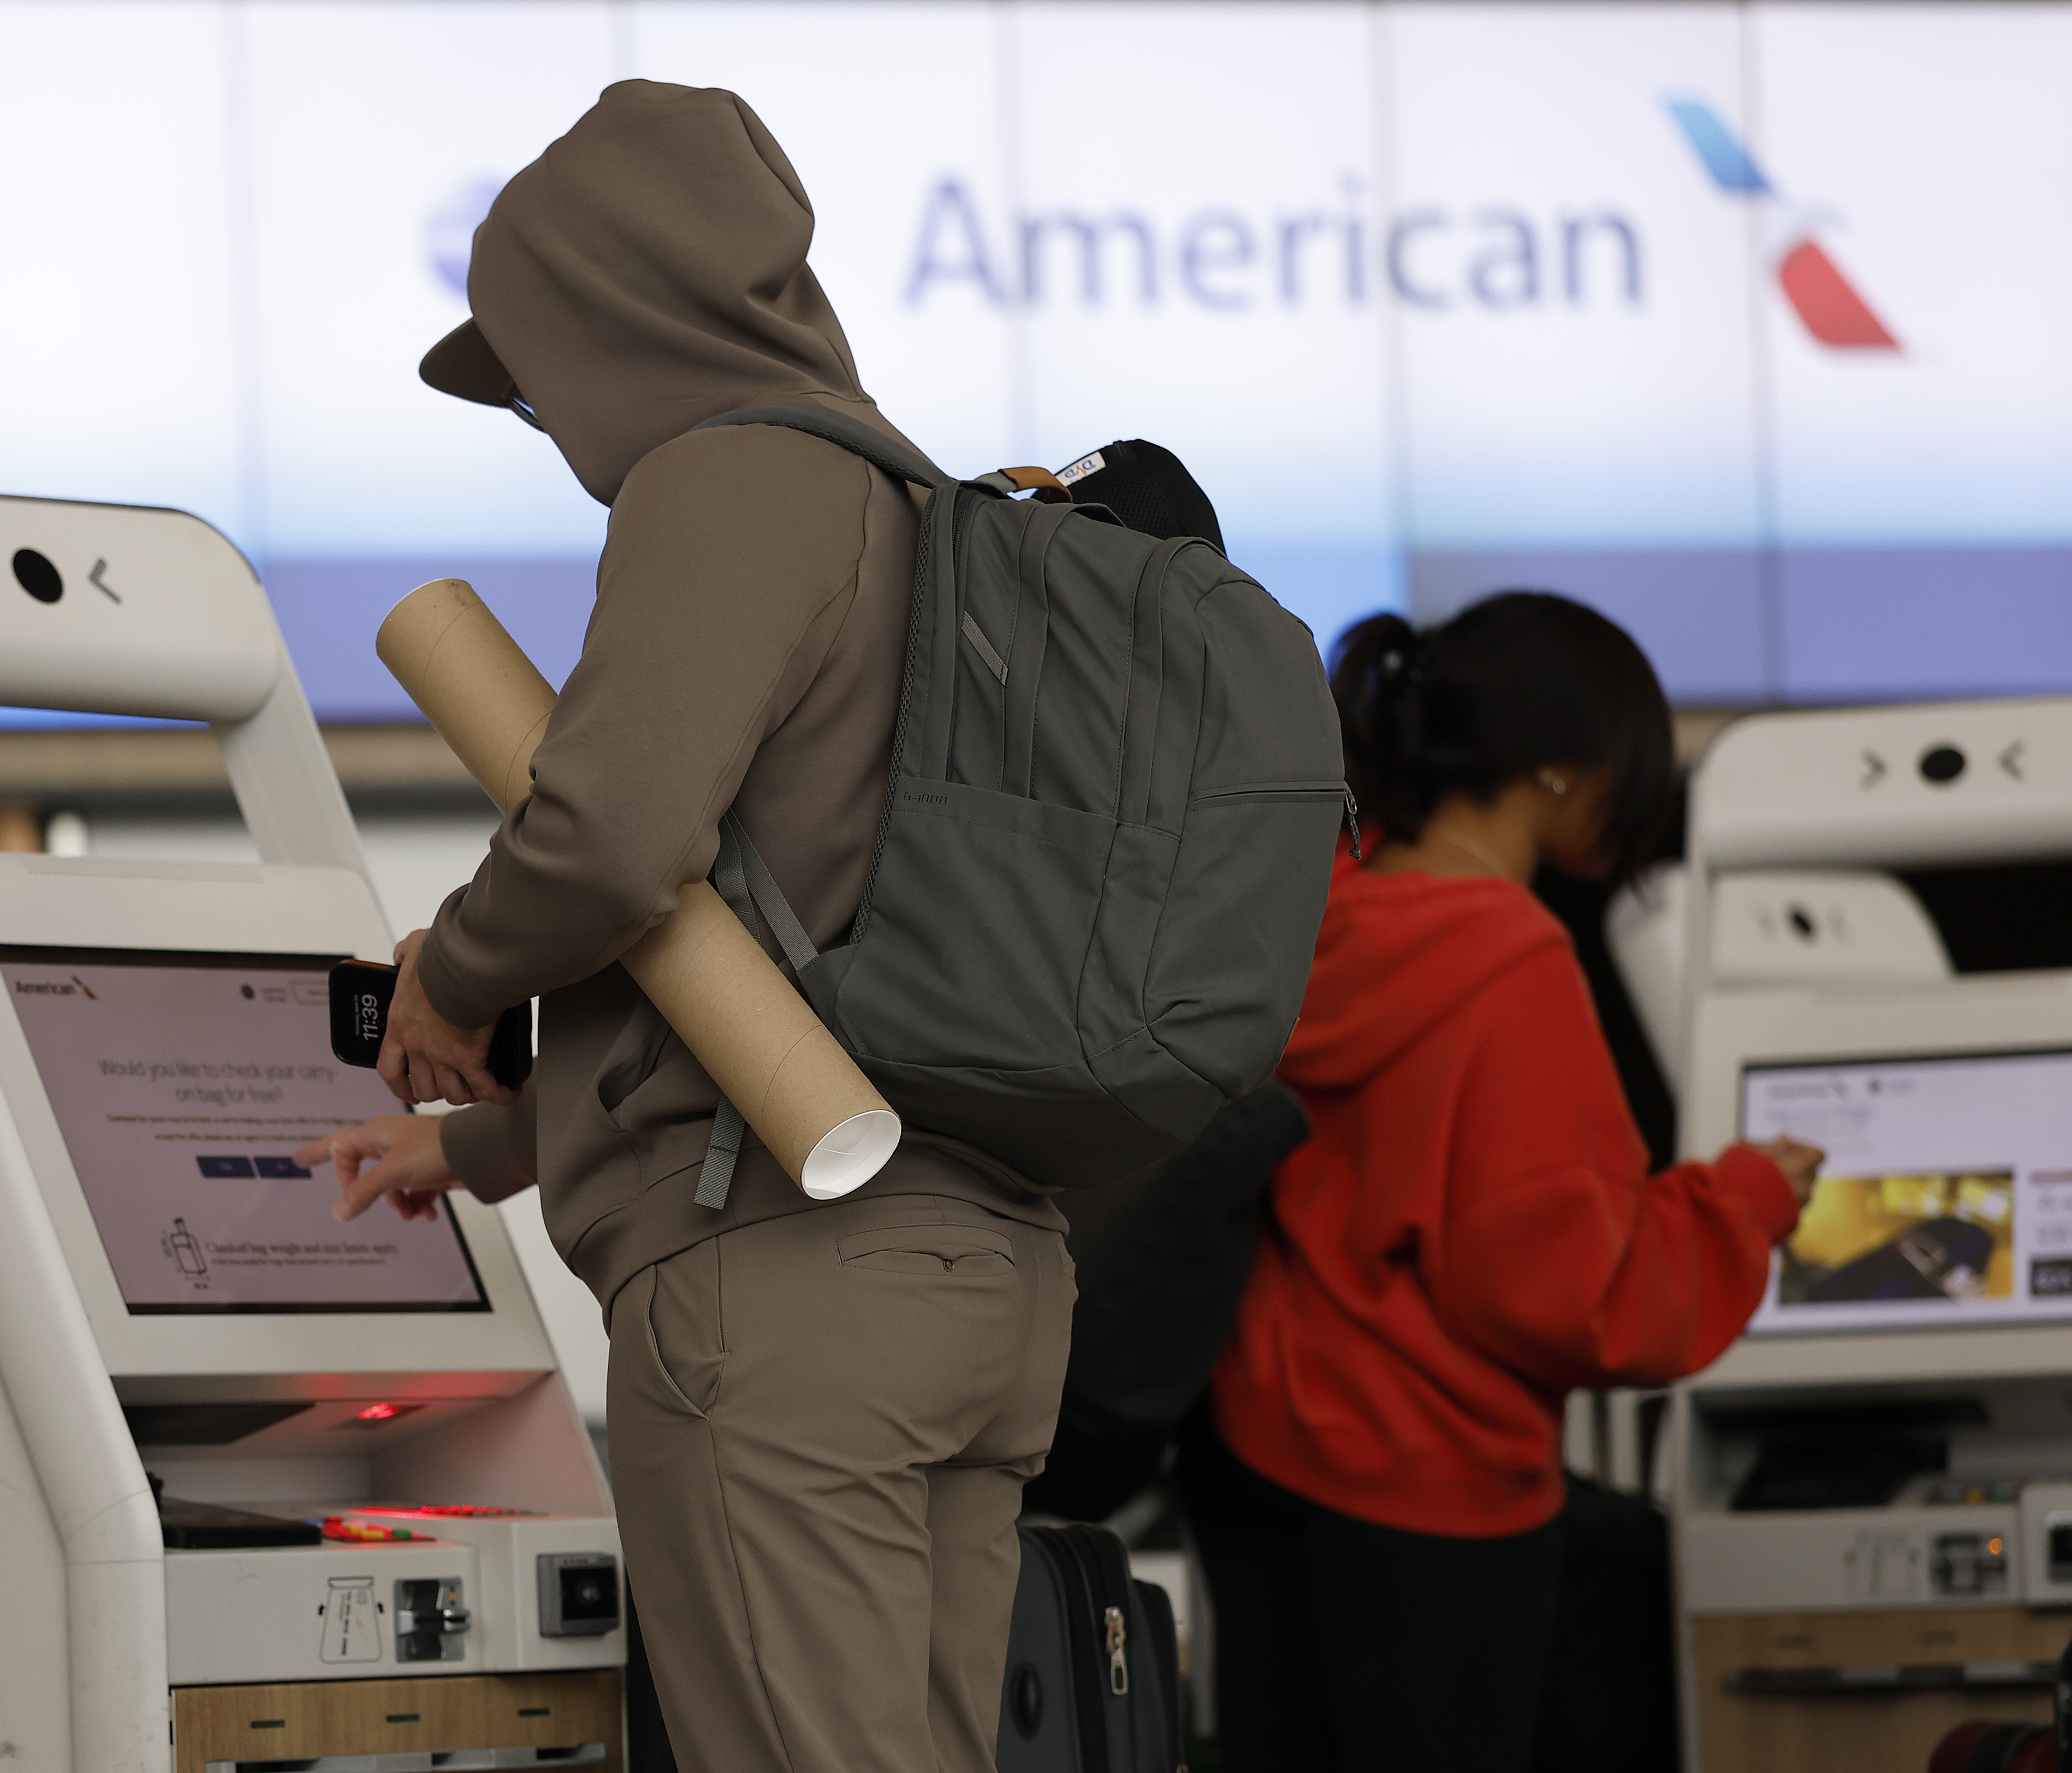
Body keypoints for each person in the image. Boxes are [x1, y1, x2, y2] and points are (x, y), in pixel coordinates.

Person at [294, 81, 1071, 1773]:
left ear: (606, 317)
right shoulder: (919, 511)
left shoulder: (725, 477)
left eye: (532, 373)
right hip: (974, 1265)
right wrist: (479, 1149)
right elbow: (784, 971)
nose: (542, 421)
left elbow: (612, 839)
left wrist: (452, 972)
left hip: (786, 1293)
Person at [1181, 592, 1819, 1773]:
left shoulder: (1303, 920)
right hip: (1431, 1488)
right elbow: (1566, 1286)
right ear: (1562, 771)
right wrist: (1743, 1201)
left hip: (1254, 1450)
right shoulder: (1508, 962)